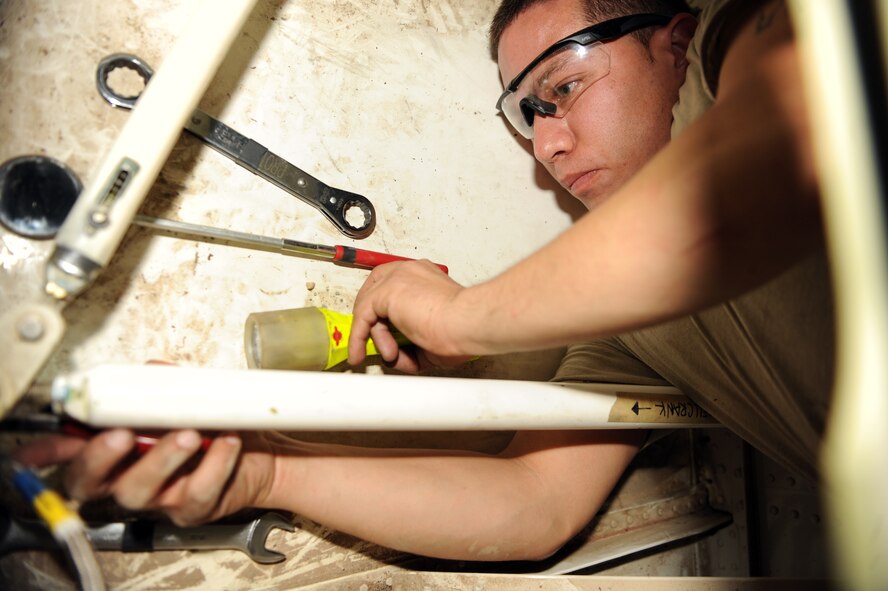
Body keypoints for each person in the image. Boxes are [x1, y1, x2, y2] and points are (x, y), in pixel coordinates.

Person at [16, 0, 832, 563]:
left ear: (674, 41)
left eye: (563, 89)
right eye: (527, 117)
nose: (548, 144)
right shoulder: (629, 329)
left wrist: (463, 318)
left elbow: (774, 150)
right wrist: (269, 469)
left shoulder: (754, 38)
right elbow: (530, 506)